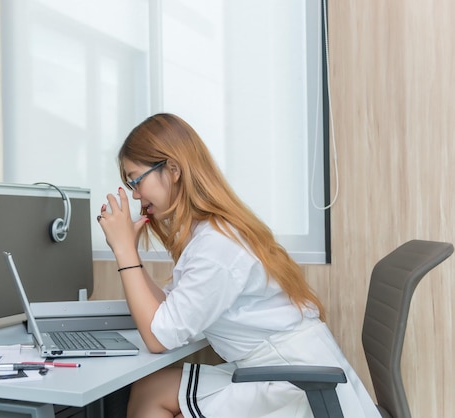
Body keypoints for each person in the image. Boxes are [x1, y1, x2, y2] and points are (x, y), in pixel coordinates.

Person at [96, 113, 379, 418]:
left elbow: (157, 338)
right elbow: (171, 310)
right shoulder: (210, 232)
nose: (136, 194)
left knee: (152, 397)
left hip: (292, 385)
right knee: (148, 389)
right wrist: (131, 256)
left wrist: (124, 252)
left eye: (137, 180)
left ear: (174, 169)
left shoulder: (216, 245)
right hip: (282, 369)